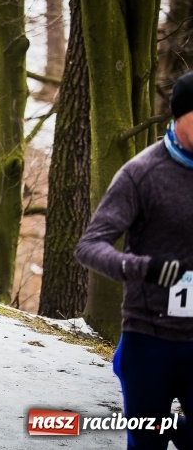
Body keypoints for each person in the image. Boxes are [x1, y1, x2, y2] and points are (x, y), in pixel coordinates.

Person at [75, 71, 193, 449]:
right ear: (180, 115)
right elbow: (91, 246)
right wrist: (145, 268)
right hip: (149, 339)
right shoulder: (142, 173)